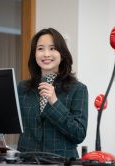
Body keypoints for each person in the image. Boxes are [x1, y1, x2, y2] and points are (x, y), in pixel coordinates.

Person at [17, 28, 88, 158]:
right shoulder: (22, 88)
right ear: (34, 55)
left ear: (62, 54)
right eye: (40, 49)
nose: (46, 54)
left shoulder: (78, 89)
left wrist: (54, 102)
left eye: (52, 48)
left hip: (62, 164)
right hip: (27, 163)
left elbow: (79, 134)